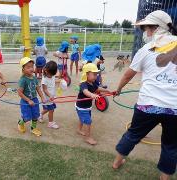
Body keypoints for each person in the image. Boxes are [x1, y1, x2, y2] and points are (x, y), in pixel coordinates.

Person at [112, 10, 177, 180]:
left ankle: (117, 162)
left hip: (148, 104)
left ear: (154, 28)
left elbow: (128, 74)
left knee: (133, 134)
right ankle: (165, 178)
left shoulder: (146, 49)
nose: (144, 33)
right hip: (175, 108)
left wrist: (118, 90)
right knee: (171, 145)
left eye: (145, 28)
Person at [76, 63, 111, 145]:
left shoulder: (93, 83)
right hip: (82, 107)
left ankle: (79, 130)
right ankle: (88, 138)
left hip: (87, 106)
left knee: (83, 119)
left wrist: (107, 91)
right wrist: (92, 95)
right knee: (88, 121)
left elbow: (98, 88)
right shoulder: (83, 84)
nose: (96, 76)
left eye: (96, 74)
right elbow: (85, 91)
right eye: (94, 74)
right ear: (87, 74)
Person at [17, 57, 46, 137]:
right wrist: (28, 100)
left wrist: (42, 97)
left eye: (32, 66)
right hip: (25, 101)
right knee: (27, 117)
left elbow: (38, 89)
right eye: (28, 67)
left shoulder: (34, 78)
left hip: (35, 100)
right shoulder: (23, 80)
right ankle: (20, 123)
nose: (31, 69)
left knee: (35, 115)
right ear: (23, 69)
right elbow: (19, 93)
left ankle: (33, 128)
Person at [39, 61, 60, 129]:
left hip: (51, 97)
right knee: (51, 110)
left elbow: (53, 81)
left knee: (47, 109)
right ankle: (50, 123)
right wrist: (50, 95)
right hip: (47, 98)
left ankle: (40, 115)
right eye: (50, 74)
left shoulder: (52, 75)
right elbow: (45, 90)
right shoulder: (44, 80)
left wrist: (60, 81)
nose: (51, 76)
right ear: (46, 71)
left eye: (52, 74)